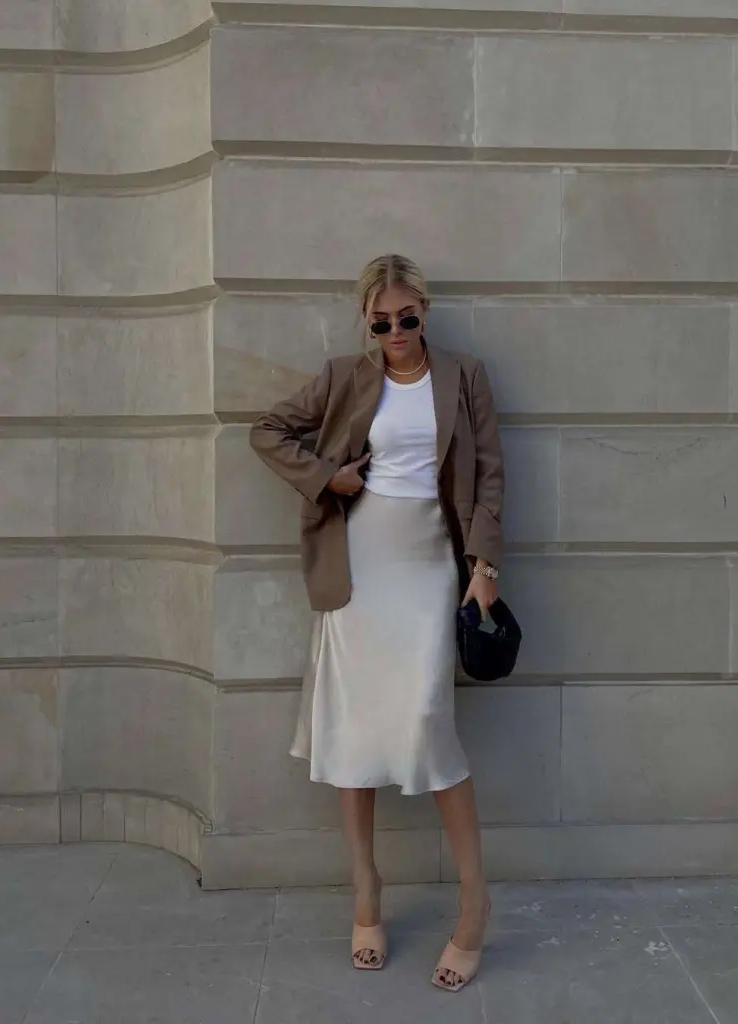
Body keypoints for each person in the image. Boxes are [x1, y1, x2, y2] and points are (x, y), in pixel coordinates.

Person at [249, 254, 504, 992]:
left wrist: (482, 569)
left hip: (430, 568)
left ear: (426, 310)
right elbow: (267, 431)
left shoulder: (464, 376)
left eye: (407, 317)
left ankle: (474, 903)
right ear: (366, 319)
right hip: (356, 571)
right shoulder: (342, 377)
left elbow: (488, 474)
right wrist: (327, 477)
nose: (395, 331)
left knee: (428, 719)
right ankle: (365, 891)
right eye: (380, 320)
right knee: (354, 727)